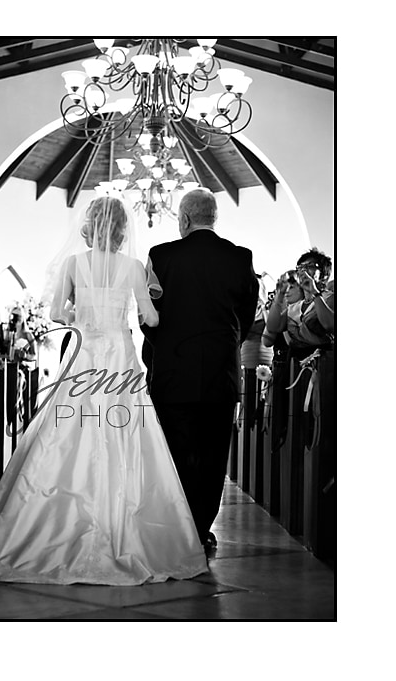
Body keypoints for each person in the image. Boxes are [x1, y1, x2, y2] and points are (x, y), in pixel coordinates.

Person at [0, 195, 208, 585]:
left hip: (85, 355)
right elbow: (152, 318)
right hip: (120, 360)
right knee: (126, 435)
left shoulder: (75, 263)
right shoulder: (133, 267)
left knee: (66, 433)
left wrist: (81, 313)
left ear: (90, 225)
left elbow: (57, 313)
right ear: (123, 228)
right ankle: (125, 527)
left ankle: (47, 531)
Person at [141, 188, 259, 551]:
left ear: (185, 219)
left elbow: (148, 318)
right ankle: (201, 529)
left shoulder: (161, 255)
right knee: (213, 456)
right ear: (214, 218)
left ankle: (177, 529)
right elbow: (246, 315)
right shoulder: (240, 257)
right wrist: (224, 345)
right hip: (221, 373)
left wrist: (165, 346)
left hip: (172, 372)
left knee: (176, 453)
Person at [263, 248, 334, 358]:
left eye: (309, 267)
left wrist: (315, 292)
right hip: (295, 364)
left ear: (323, 275)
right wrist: (280, 294)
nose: (303, 272)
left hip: (323, 362)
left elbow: (330, 325)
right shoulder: (294, 308)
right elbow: (273, 328)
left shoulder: (330, 298)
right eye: (300, 268)